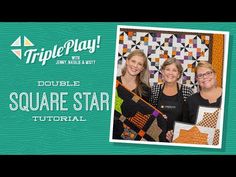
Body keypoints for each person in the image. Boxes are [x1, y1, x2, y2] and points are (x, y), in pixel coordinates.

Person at [150, 58, 193, 142]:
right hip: (156, 137)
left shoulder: (187, 91)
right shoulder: (154, 90)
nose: (170, 73)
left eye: (174, 70)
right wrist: (158, 115)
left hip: (179, 139)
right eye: (167, 69)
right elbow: (149, 113)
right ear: (162, 71)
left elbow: (190, 119)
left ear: (179, 74)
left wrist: (177, 134)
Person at [113, 49, 151, 139]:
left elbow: (144, 117)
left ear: (142, 68)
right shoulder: (113, 82)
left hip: (128, 136)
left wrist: (158, 117)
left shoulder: (145, 90)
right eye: (133, 61)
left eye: (140, 64)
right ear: (127, 61)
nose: (135, 66)